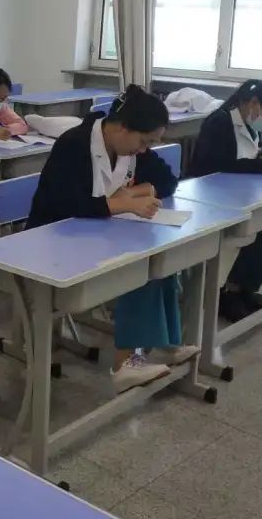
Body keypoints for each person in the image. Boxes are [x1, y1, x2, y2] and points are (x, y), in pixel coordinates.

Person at [27, 85, 199, 393]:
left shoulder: (128, 147)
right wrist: (125, 203)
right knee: (138, 264)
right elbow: (69, 205)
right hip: (53, 240)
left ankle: (165, 343)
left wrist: (132, 193)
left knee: (163, 258)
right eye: (144, 142)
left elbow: (168, 181)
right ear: (123, 128)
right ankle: (124, 363)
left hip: (95, 234)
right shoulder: (74, 144)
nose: (145, 150)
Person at [188, 79, 262, 321]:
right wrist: (258, 165)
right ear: (254, 103)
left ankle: (248, 288)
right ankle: (229, 292)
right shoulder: (220, 122)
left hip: (245, 196)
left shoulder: (253, 125)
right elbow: (210, 166)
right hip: (213, 199)